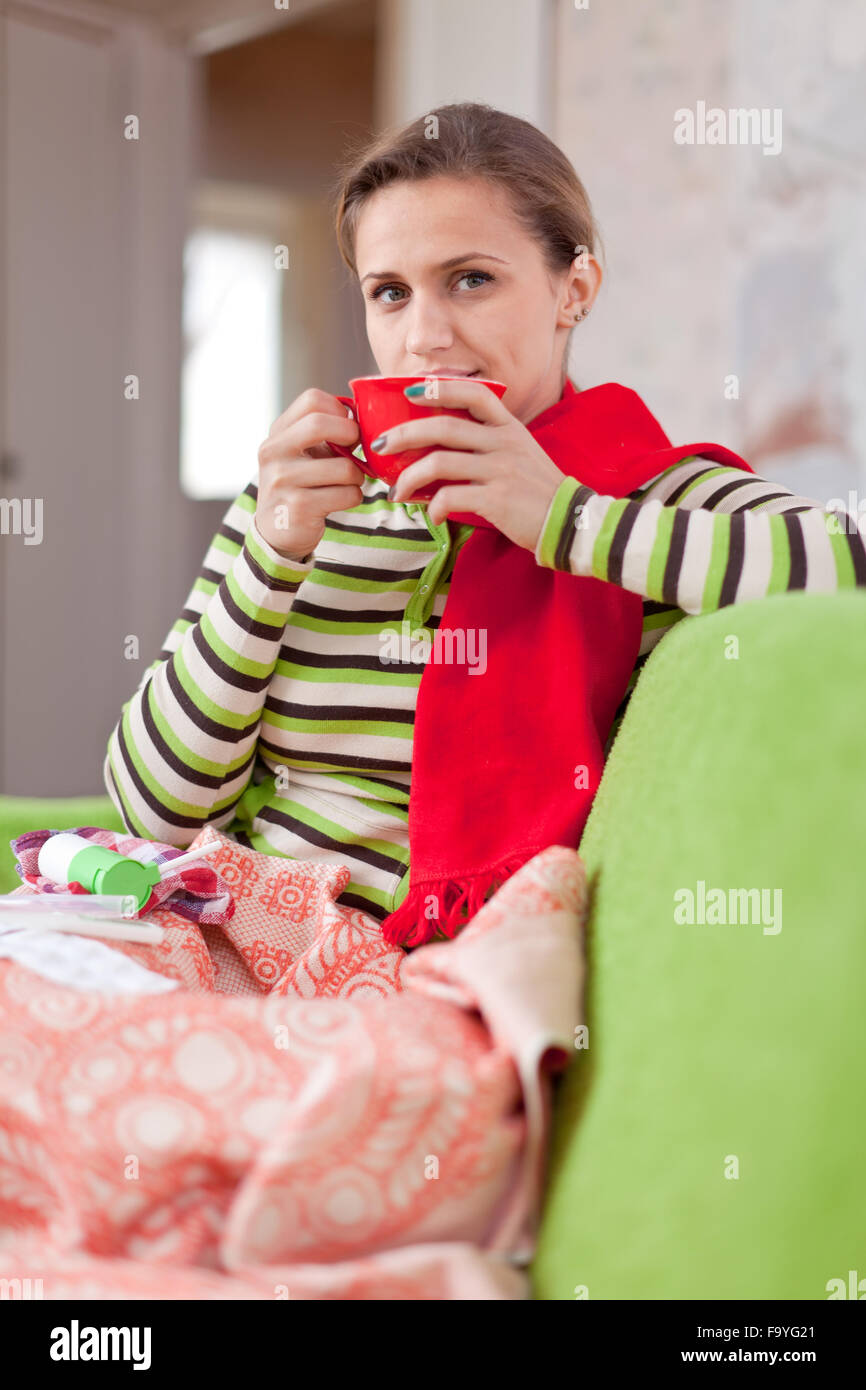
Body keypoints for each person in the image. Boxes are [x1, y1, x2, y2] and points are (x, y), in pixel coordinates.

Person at [104, 102, 866, 948]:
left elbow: (849, 561)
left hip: (410, 975)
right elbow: (155, 810)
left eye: (470, 279)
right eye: (389, 293)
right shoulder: (300, 500)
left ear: (573, 289)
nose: (425, 338)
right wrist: (269, 557)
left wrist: (558, 518)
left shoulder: (639, 497)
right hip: (215, 931)